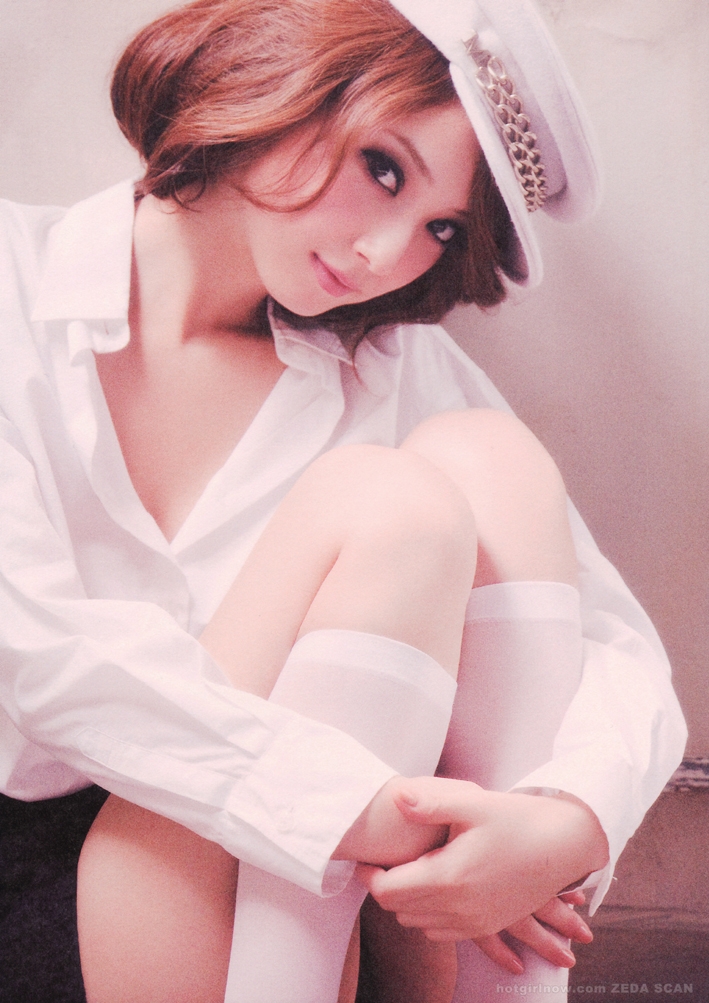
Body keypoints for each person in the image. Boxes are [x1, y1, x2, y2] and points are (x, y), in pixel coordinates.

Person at [0, 0, 686, 1001]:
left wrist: (563, 819)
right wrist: (373, 813)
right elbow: (33, 654)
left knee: (488, 457)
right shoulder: (11, 280)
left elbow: (612, 639)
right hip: (94, 871)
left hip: (327, 900)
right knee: (384, 502)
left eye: (440, 228)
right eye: (384, 168)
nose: (384, 254)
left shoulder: (384, 365)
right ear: (282, 77)